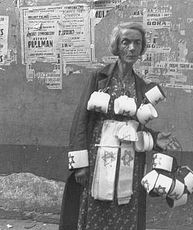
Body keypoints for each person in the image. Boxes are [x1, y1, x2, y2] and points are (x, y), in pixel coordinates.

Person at [59, 22, 180, 230]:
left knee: (126, 207)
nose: (132, 48)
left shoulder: (142, 87)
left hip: (129, 162)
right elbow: (81, 120)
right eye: (126, 42)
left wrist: (155, 138)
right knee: (96, 205)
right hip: (98, 158)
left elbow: (135, 126)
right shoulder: (99, 78)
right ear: (117, 45)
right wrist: (80, 163)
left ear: (141, 48)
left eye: (137, 43)